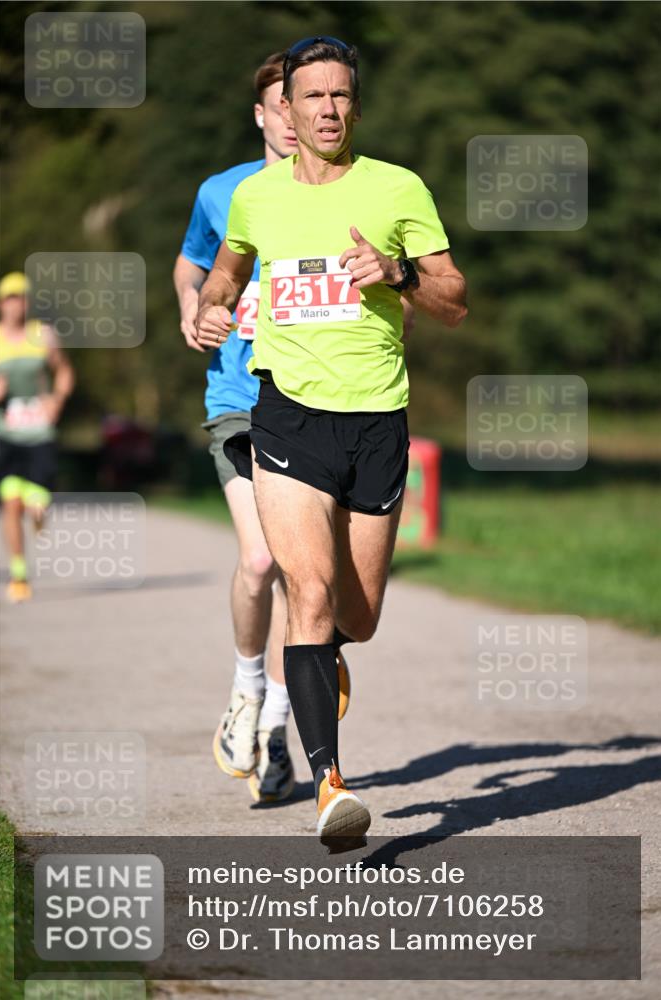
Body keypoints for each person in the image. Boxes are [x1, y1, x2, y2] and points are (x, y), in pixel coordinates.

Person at [196, 36, 467, 843]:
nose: (327, 110)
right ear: (285, 107)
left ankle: (323, 656)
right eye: (312, 96)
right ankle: (329, 786)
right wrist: (212, 305)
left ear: (355, 103)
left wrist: (398, 273)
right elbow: (226, 269)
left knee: (359, 613)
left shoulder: (396, 188)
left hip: (376, 419)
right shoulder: (255, 197)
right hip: (286, 414)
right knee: (305, 593)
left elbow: (454, 301)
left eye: (340, 95)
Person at [174, 53, 351, 805]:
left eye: (304, 103)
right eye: (281, 105)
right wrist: (193, 311)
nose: (294, 117)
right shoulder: (224, 192)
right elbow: (190, 266)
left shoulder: (342, 192)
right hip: (239, 397)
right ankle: (247, 686)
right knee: (258, 560)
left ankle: (278, 724)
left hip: (318, 400)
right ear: (263, 113)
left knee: (303, 576)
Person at [0, 271, 74, 603]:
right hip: (4, 434)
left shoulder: (43, 335)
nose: (17, 304)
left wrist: (57, 400)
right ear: (0, 303)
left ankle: (39, 511)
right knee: (11, 501)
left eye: (22, 297)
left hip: (39, 432)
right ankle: (19, 574)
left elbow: (64, 371)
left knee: (37, 501)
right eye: (10, 298)